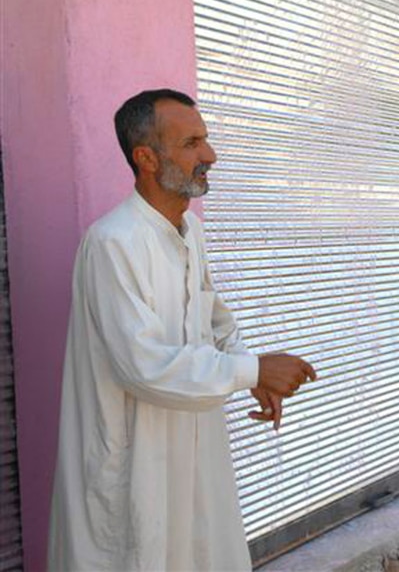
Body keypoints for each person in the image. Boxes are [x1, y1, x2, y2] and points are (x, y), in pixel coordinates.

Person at [47, 89, 316, 571]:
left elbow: (213, 316)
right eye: (192, 143)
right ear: (146, 158)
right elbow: (142, 365)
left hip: (192, 440)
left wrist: (250, 370)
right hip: (134, 456)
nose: (209, 155)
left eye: (205, 140)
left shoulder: (190, 232)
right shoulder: (113, 243)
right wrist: (252, 370)